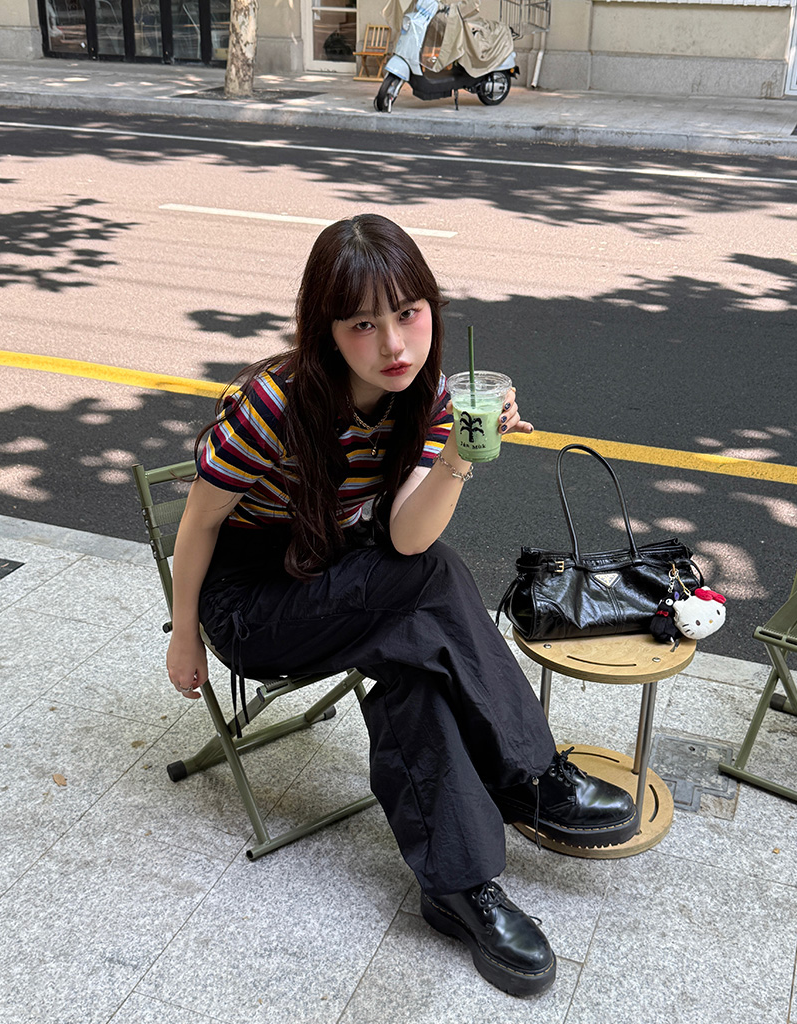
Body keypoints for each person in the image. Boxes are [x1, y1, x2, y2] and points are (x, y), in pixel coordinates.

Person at [166, 214, 639, 998]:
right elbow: (199, 523)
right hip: (251, 605)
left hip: (337, 579)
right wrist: (185, 635)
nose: (393, 344)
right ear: (326, 331)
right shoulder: (272, 406)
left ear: (431, 309)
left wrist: (457, 454)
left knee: (416, 662)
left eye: (408, 313)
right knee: (428, 584)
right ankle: (531, 775)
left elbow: (406, 537)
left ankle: (461, 889)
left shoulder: (426, 399)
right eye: (362, 324)